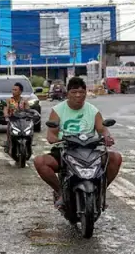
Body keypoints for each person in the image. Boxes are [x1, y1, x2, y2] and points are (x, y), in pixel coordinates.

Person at [33, 77, 123, 210]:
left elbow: (102, 129)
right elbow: (51, 133)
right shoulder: (58, 110)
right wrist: (54, 138)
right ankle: (60, 192)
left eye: (81, 92)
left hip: (90, 150)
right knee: (40, 161)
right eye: (74, 92)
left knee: (116, 158)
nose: (78, 96)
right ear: (67, 93)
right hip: (65, 150)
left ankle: (101, 192)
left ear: (86, 94)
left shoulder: (92, 110)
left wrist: (107, 137)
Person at [3, 82, 28, 151]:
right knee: (9, 128)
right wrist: (6, 114)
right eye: (13, 90)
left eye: (15, 90)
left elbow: (28, 110)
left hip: (23, 120)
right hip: (13, 119)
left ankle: (29, 141)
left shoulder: (24, 100)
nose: (13, 91)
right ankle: (8, 142)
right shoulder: (9, 100)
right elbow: (6, 109)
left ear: (20, 91)